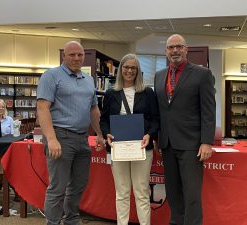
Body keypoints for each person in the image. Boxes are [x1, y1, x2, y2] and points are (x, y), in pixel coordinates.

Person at [37, 41, 104, 225]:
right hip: (60, 138)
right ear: (64, 56)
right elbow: (42, 108)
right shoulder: (51, 76)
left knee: (78, 186)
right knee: (57, 188)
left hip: (83, 139)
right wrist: (51, 139)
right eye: (72, 55)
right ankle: (52, 222)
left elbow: (94, 110)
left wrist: (99, 134)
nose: (77, 58)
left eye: (80, 55)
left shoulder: (88, 79)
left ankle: (71, 220)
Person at [154, 34, 216, 225]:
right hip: (167, 143)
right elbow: (160, 110)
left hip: (192, 144)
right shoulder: (159, 76)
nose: (175, 51)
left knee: (192, 193)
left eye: (179, 47)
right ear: (166, 51)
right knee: (173, 191)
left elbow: (208, 111)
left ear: (186, 49)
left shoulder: (202, 74)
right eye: (171, 47)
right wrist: (157, 137)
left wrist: (206, 142)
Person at [100, 54, 159, 225]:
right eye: (126, 67)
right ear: (121, 70)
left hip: (142, 147)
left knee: (141, 191)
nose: (129, 71)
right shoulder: (111, 93)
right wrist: (107, 133)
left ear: (138, 71)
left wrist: (150, 134)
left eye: (133, 68)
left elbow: (156, 119)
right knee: (122, 192)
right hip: (118, 148)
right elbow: (104, 120)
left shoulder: (148, 92)